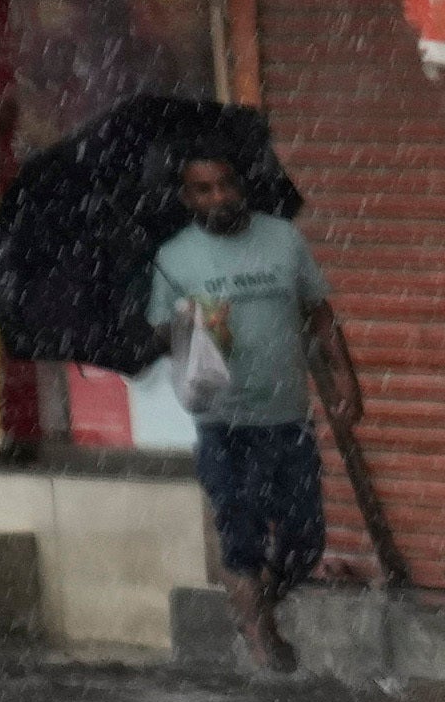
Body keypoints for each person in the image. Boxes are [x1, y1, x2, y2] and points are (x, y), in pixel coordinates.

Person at [150, 144, 354, 673]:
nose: (219, 197)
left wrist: (343, 379)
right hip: (224, 424)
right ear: (187, 197)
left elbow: (319, 312)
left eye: (226, 185)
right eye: (205, 189)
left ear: (241, 186)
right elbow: (158, 334)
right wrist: (188, 321)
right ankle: (262, 644)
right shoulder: (174, 259)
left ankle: (256, 604)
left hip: (288, 417)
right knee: (240, 537)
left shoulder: (282, 240)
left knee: (305, 540)